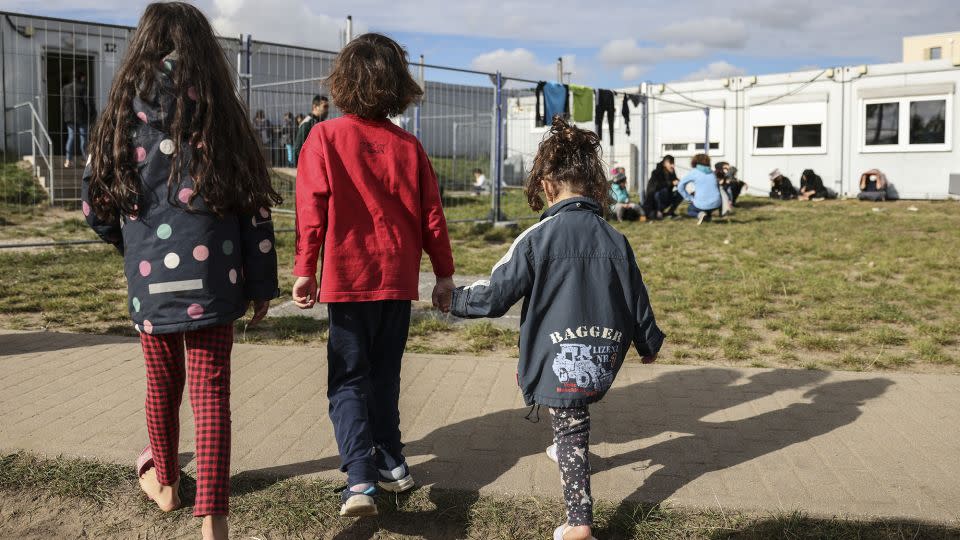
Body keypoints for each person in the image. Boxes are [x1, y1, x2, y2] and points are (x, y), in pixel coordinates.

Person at [80, 3, 281, 539]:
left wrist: (131, 244)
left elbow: (94, 205)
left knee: (160, 386)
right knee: (212, 395)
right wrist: (262, 284)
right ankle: (213, 521)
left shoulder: (123, 114)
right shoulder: (223, 115)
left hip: (152, 282)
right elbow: (254, 208)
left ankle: (166, 483)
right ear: (205, 50)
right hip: (217, 281)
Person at [449, 117, 664, 540]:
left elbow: (495, 295)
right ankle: (564, 455)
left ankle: (579, 520)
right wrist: (648, 342)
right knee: (571, 421)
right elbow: (637, 297)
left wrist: (453, 301)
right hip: (602, 353)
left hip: (556, 355)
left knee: (569, 428)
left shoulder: (537, 238)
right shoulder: (615, 239)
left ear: (546, 186)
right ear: (596, 186)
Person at [291, 33, 455, 518]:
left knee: (347, 380)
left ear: (342, 83)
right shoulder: (409, 145)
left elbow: (311, 209)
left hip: (347, 280)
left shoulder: (324, 137)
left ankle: (360, 476)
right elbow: (432, 215)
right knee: (385, 375)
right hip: (398, 282)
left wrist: (304, 269)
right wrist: (443, 274)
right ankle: (393, 460)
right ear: (398, 86)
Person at [62, 70, 97, 168]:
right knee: (83, 138)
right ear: (81, 77)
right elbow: (88, 102)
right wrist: (93, 114)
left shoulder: (65, 88)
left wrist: (64, 116)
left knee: (71, 137)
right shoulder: (83, 88)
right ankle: (85, 159)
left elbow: (63, 103)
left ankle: (68, 160)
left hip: (69, 117)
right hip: (82, 117)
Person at [678, 154, 722, 224]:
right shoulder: (712, 173)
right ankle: (707, 217)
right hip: (716, 203)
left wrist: (689, 198)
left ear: (694, 162)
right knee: (706, 206)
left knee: (690, 210)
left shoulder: (694, 172)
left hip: (702, 204)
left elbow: (680, 186)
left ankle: (700, 215)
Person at [293, 94, 329, 167]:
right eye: (325, 107)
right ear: (315, 107)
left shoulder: (320, 122)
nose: (327, 110)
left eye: (327, 107)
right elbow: (299, 148)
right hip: (310, 166)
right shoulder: (307, 123)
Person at [643, 155, 682, 220]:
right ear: (664, 164)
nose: (673, 166)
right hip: (655, 199)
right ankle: (659, 211)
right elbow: (657, 186)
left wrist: (680, 183)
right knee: (664, 190)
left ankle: (670, 212)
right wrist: (671, 183)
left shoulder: (671, 172)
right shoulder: (656, 172)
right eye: (671, 163)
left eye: (673, 163)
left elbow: (676, 182)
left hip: (667, 197)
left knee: (681, 193)